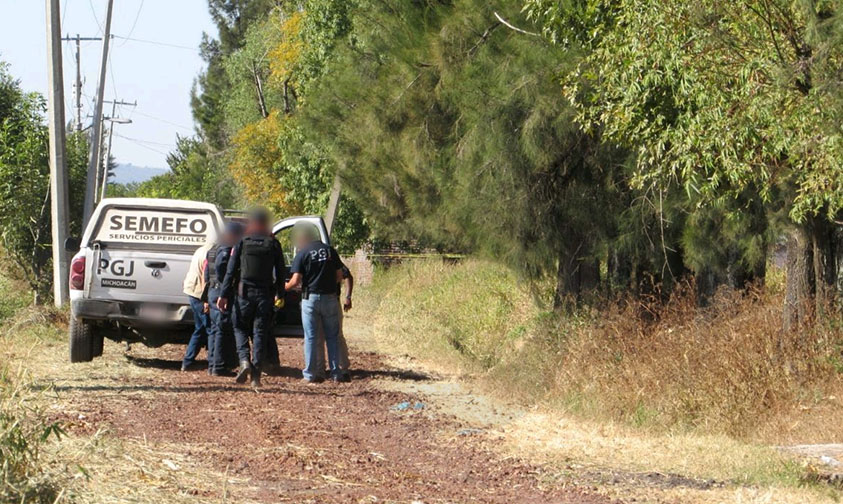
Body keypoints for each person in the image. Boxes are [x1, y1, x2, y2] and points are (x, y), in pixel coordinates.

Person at [218, 209, 286, 388]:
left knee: (239, 327)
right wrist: (280, 293)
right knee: (260, 333)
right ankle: (255, 377)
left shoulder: (242, 242)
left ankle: (244, 361)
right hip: (265, 295)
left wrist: (223, 294)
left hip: (243, 294)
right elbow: (281, 271)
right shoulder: (273, 244)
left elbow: (231, 270)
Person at [285, 222, 348, 383]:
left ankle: (310, 374)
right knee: (332, 337)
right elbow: (340, 276)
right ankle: (336, 373)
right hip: (330, 299)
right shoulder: (330, 251)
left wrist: (280, 288)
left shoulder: (303, 253)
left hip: (310, 300)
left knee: (311, 337)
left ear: (303, 239)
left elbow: (295, 281)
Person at [205, 221, 244, 377]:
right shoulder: (227, 249)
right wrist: (226, 287)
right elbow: (223, 268)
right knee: (222, 328)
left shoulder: (213, 249)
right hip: (220, 291)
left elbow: (207, 271)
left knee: (215, 329)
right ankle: (219, 366)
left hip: (212, 289)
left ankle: (212, 364)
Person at [181, 239, 214, 372]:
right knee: (210, 329)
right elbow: (205, 277)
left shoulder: (200, 249)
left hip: (192, 291)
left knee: (200, 328)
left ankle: (188, 362)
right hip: (199, 293)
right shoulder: (210, 253)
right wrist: (206, 300)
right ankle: (213, 364)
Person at [317, 262, 353, 374]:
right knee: (318, 335)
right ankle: (320, 368)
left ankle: (342, 366)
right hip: (318, 300)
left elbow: (347, 275)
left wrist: (348, 297)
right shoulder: (309, 255)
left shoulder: (330, 256)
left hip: (332, 299)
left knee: (336, 335)